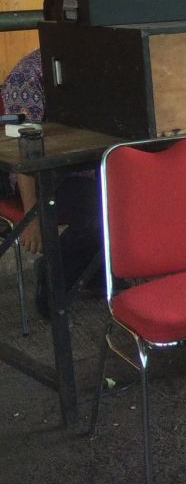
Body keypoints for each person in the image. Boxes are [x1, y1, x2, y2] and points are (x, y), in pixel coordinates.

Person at [1, 49, 102, 318]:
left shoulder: (96, 63)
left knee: (130, 201)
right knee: (101, 209)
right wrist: (33, 217)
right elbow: (23, 152)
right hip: (42, 177)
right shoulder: (27, 76)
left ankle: (93, 271)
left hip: (89, 168)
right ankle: (55, 275)